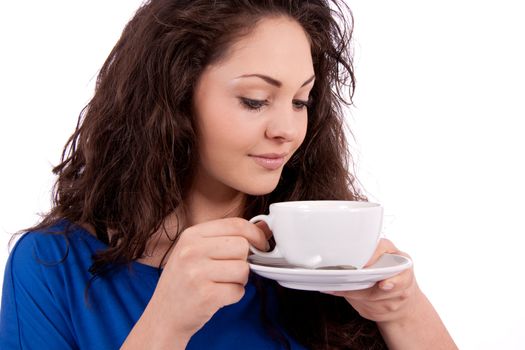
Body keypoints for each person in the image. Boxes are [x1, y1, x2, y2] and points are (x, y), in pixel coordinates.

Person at [0, 0, 457, 349]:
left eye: (301, 101)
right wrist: (166, 323)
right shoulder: (50, 266)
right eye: (255, 100)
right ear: (174, 96)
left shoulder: (324, 267)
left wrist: (402, 310)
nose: (287, 130)